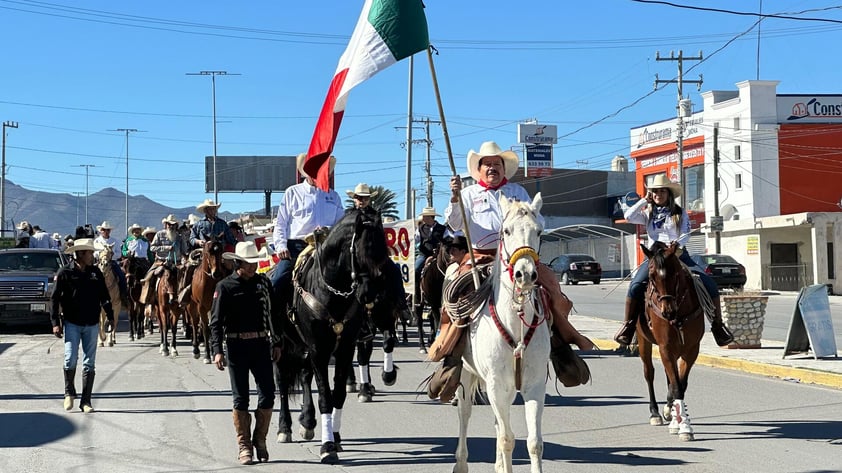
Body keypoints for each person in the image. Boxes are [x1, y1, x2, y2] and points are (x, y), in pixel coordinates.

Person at [437, 141, 593, 383]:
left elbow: (537, 221)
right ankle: (451, 354)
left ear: (503, 168)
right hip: (480, 255)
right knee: (455, 289)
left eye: (496, 164)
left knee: (551, 286)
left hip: (517, 256)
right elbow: (456, 224)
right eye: (487, 164)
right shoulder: (467, 194)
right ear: (478, 169)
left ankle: (560, 344)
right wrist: (455, 198)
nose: (491, 168)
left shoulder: (518, 192)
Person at [614, 174, 735, 347]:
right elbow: (628, 216)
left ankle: (717, 326)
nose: (658, 194)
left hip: (677, 254)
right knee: (635, 285)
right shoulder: (647, 214)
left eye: (662, 191)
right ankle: (628, 325)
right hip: (656, 256)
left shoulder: (679, 213)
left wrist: (676, 245)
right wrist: (643, 201)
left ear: (668, 194)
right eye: (655, 192)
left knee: (708, 282)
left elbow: (685, 233)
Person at [210, 242, 282, 465]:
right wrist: (217, 350)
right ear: (238, 263)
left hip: (261, 344)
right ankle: (244, 445)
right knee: (240, 398)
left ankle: (260, 440)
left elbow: (273, 314)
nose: (254, 266)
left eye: (255, 262)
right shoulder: (225, 286)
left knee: (268, 394)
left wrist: (277, 341)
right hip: (236, 346)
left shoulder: (263, 283)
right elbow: (216, 322)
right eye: (250, 263)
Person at [270, 153, 344, 311]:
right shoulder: (292, 192)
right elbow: (281, 223)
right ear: (307, 171)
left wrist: (328, 231)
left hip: (328, 248)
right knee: (277, 281)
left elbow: (341, 224)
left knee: (355, 278)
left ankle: (363, 325)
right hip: (297, 248)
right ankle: (274, 323)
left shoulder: (334, 196)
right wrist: (281, 246)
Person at [51, 238, 115, 413]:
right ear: (80, 254)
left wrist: (110, 316)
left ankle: (86, 401)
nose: (93, 256)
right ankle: (69, 392)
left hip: (92, 323)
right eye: (90, 253)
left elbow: (104, 295)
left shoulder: (95, 272)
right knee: (70, 358)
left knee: (89, 363)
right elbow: (55, 298)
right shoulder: (65, 272)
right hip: (72, 322)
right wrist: (55, 323)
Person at [141, 215, 186, 304]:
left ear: (176, 226)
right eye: (169, 224)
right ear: (165, 224)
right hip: (161, 262)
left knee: (187, 278)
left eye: (173, 224)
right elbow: (152, 248)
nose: (171, 226)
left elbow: (184, 250)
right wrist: (165, 248)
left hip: (176, 263)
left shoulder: (179, 236)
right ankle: (147, 298)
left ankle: (186, 301)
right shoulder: (159, 234)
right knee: (148, 277)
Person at [94, 221, 129, 306]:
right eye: (104, 230)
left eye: (107, 230)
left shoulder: (115, 241)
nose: (105, 231)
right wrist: (101, 255)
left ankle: (123, 296)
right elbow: (93, 253)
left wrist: (111, 255)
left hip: (112, 262)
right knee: (91, 277)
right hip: (99, 262)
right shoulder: (97, 241)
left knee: (121, 276)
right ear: (101, 230)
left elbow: (119, 253)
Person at [415, 207, 447, 286]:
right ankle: (416, 294)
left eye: (424, 216)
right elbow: (416, 240)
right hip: (424, 255)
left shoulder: (443, 229)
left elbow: (447, 241)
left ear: (430, 217)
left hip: (439, 255)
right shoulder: (420, 228)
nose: (423, 218)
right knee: (415, 270)